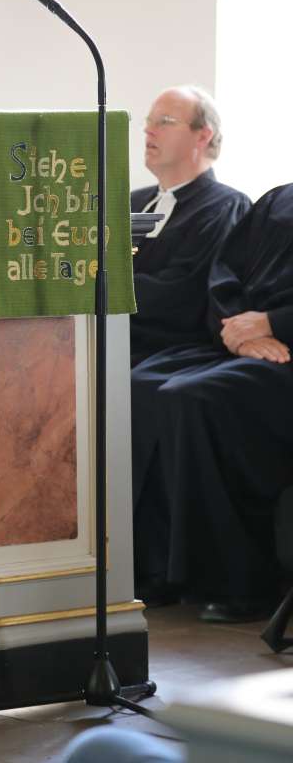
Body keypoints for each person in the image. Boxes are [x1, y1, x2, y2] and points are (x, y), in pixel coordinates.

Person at [132, 183, 293, 621]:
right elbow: (225, 273)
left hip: (286, 352)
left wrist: (275, 323)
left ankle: (240, 583)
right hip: (243, 343)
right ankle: (154, 567)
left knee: (195, 397)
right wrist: (236, 330)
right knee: (140, 383)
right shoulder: (280, 197)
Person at [130, 85, 250, 367]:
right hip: (108, 338)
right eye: (148, 122)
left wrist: (99, 288)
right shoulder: (132, 202)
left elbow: (184, 293)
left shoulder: (225, 206)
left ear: (204, 135)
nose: (149, 131)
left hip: (171, 353)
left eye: (165, 122)